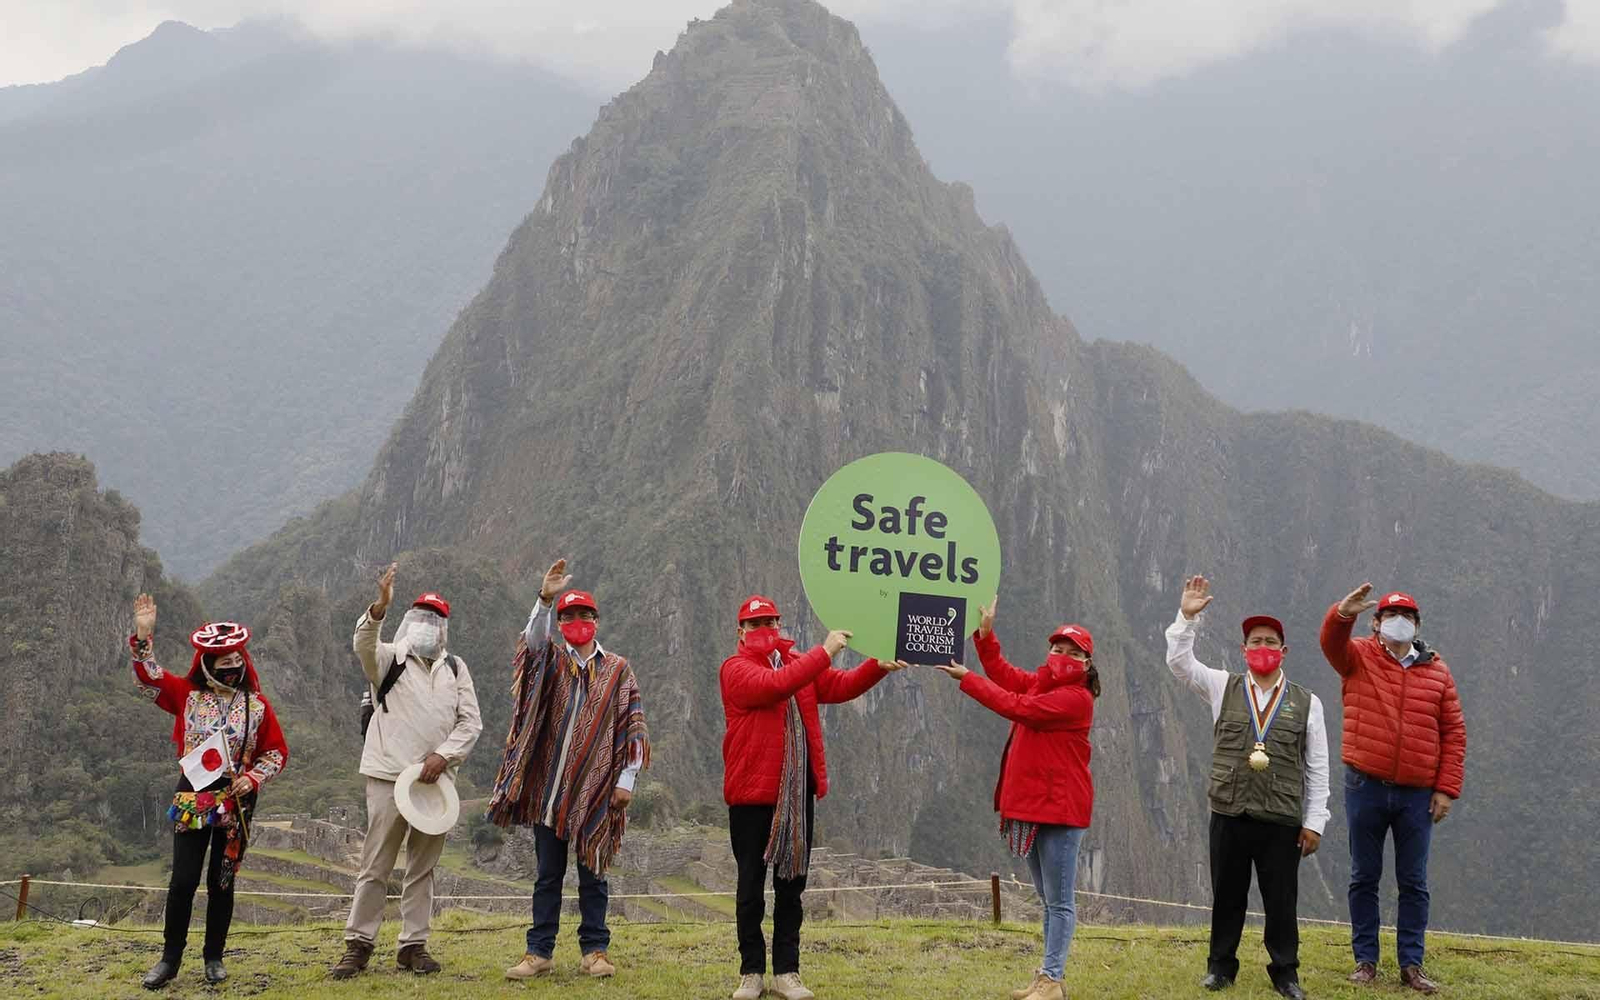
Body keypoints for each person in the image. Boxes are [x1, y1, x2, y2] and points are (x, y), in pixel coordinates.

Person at [721, 595, 907, 1000]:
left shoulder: (796, 664)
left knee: (791, 887)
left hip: (796, 795)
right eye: (755, 624)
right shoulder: (735, 670)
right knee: (750, 886)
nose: (764, 629)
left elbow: (839, 686)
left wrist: (877, 667)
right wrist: (824, 652)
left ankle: (787, 971)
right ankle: (751, 972)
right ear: (740, 631)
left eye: (770, 621)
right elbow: (773, 687)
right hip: (752, 794)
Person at [1165, 577, 1329, 1000]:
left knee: (1281, 900)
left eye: (1270, 641)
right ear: (1243, 650)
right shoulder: (1223, 686)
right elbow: (1180, 664)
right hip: (1229, 812)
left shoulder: (1308, 704)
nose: (1263, 648)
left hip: (1281, 819)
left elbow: (1318, 766)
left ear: (1283, 651)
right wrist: (1187, 617)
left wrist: (1314, 822)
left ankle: (1285, 972)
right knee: (1228, 895)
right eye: (1255, 641)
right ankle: (1220, 967)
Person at [492, 559, 650, 981]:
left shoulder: (617, 670)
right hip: (550, 790)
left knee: (593, 875)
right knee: (547, 876)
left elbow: (632, 726)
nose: (576, 621)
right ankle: (538, 952)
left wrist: (625, 780)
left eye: (583, 614)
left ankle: (595, 951)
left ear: (596, 620)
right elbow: (532, 643)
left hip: (597, 792)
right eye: (568, 616)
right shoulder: (551, 663)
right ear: (559, 622)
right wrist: (544, 599)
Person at [932, 597, 1097, 1000]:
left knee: (1059, 901)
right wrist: (985, 637)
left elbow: (1018, 706)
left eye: (1072, 653)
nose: (1061, 656)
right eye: (1057, 649)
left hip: (1060, 810)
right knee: (1047, 899)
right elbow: (1005, 677)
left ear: (1087, 663)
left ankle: (1052, 979)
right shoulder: (1043, 683)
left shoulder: (1077, 699)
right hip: (1031, 806)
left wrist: (967, 679)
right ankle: (1045, 976)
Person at [330, 563, 483, 979]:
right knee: (376, 863)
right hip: (387, 776)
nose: (427, 625)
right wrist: (378, 608)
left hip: (435, 782)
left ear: (444, 627)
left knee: (423, 867)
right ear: (409, 621)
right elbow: (363, 643)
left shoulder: (455, 668)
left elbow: (470, 722)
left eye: (435, 620)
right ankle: (358, 945)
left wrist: (444, 756)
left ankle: (413, 946)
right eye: (421, 617)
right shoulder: (388, 658)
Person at [128, 593, 289, 989]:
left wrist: (252, 778)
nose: (232, 668)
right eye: (224, 662)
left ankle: (214, 957)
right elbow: (150, 678)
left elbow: (276, 753)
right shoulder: (187, 696)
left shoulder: (257, 707)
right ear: (207, 664)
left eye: (237, 661)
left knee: (222, 880)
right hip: (193, 797)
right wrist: (143, 636)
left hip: (236, 800)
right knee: (183, 880)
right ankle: (169, 959)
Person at [1321, 585, 1465, 995]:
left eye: (1407, 616)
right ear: (1376, 623)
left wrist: (1446, 789)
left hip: (1417, 794)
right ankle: (1365, 961)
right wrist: (1340, 615)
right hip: (1364, 783)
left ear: (1417, 625)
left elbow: (1454, 732)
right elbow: (1331, 645)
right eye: (1390, 615)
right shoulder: (1359, 656)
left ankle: (1411, 965)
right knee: (1364, 875)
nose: (1398, 621)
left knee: (1413, 880)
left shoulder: (1437, 671)